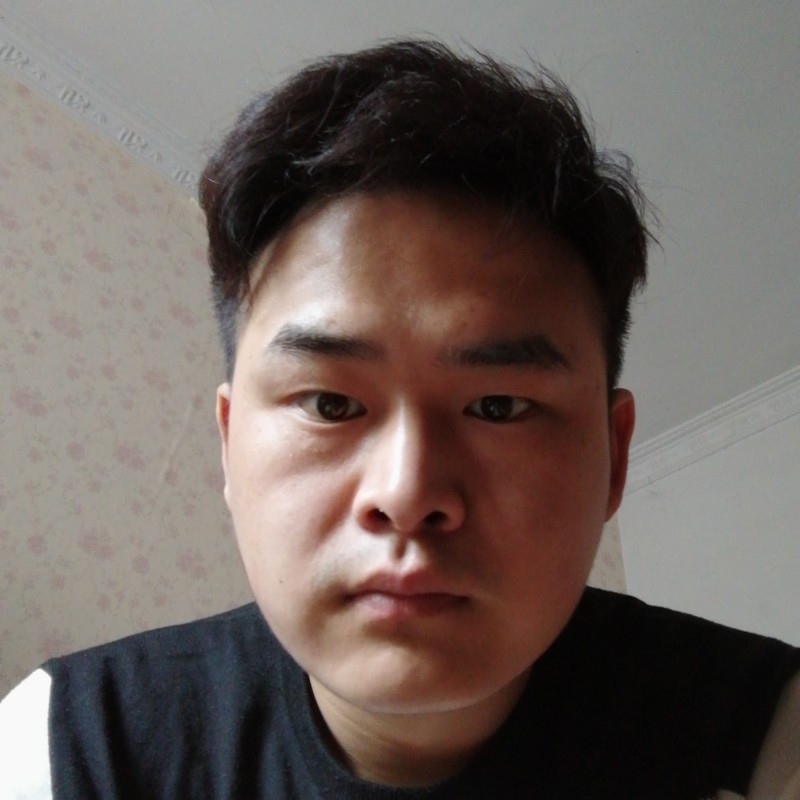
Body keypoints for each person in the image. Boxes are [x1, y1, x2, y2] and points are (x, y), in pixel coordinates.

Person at [1, 39, 798, 799]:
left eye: (498, 406)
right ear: (229, 445)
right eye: (330, 404)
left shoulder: (770, 744)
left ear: (615, 459)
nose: (408, 494)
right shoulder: (64, 753)